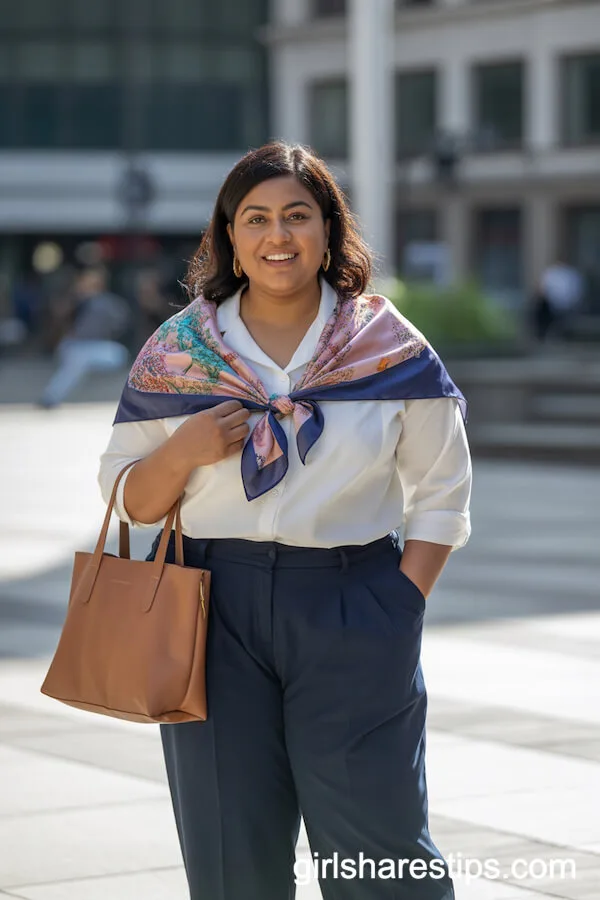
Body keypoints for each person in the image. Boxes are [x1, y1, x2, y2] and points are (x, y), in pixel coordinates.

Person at [98, 142, 472, 900]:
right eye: (257, 218)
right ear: (229, 236)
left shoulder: (388, 346)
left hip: (353, 600)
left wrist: (399, 603)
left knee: (381, 855)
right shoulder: (180, 350)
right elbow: (131, 501)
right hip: (210, 605)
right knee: (233, 860)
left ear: (328, 231)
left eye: (298, 216)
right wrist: (183, 452)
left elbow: (442, 492)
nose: (278, 236)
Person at [39, 267, 131, 408]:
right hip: (74, 346)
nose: (89, 285)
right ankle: (50, 397)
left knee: (120, 353)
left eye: (93, 282)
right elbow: (59, 322)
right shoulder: (73, 301)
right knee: (78, 361)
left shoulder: (107, 301)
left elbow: (121, 322)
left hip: (97, 347)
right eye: (86, 282)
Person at [533, 259, 584, 342]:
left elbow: (577, 292)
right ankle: (541, 334)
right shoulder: (550, 273)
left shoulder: (571, 274)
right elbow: (542, 290)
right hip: (551, 305)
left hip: (567, 305)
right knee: (539, 308)